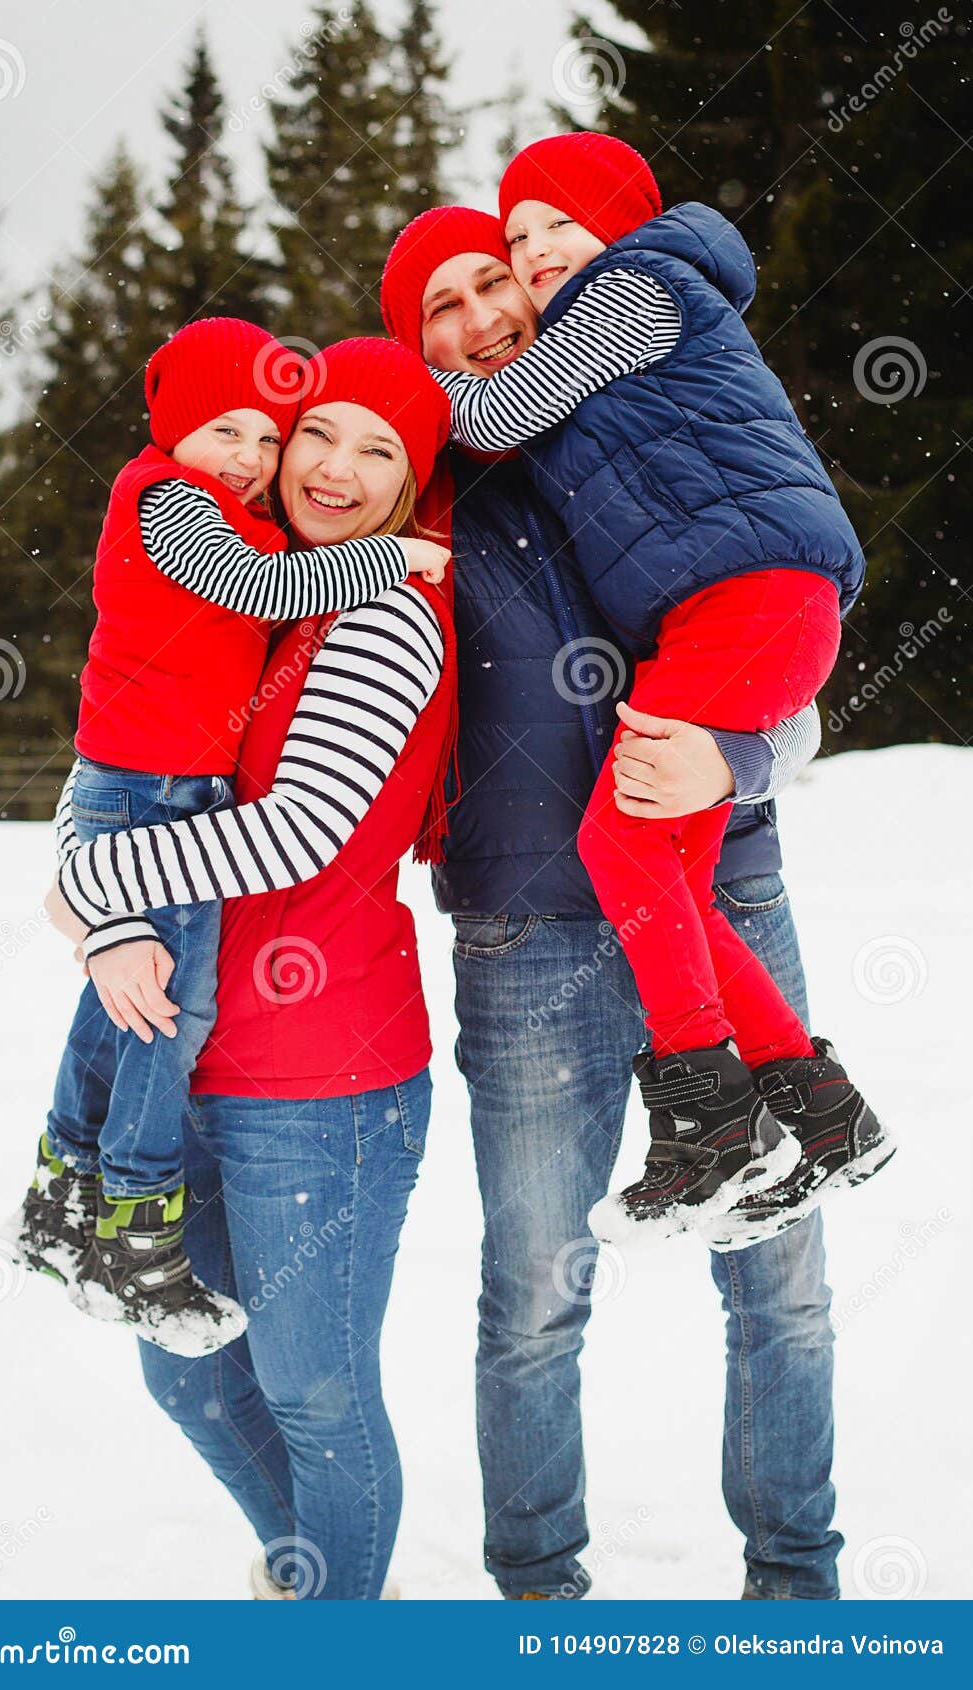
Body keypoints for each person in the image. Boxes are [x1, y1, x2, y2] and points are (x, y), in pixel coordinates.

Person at [381, 204, 844, 1599]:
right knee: (532, 1285)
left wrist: (739, 748)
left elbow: (787, 649)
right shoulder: (423, 501)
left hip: (718, 881)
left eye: (488, 286)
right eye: (436, 311)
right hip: (525, 924)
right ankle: (535, 1589)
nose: (473, 319)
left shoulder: (627, 414)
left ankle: (793, 1575)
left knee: (780, 1273)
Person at [424, 134, 893, 1245]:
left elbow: (490, 416)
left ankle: (707, 1110)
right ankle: (818, 1114)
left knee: (624, 846)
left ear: (619, 224)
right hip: (729, 606)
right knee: (652, 865)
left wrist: (396, 388)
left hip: (755, 596)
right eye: (517, 235)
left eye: (554, 228)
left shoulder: (637, 287)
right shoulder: (605, 331)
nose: (536, 252)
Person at [44, 338, 457, 1600]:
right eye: (311, 434)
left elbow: (300, 828)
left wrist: (87, 889)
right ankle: (315, 1578)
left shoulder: (383, 611)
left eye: (376, 450)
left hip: (323, 1070)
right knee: (182, 1367)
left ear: (410, 482)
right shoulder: (241, 582)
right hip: (194, 1040)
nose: (330, 467)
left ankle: (336, 1627)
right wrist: (102, 903)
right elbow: (105, 760)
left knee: (316, 1388)